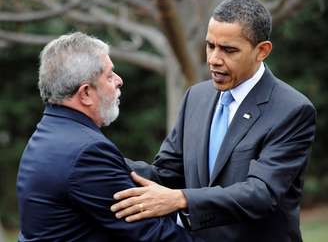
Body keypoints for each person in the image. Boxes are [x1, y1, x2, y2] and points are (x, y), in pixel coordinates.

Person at [110, 0, 316, 242]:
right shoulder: (196, 97)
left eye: (229, 50)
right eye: (210, 46)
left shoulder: (292, 109)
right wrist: (100, 159)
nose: (213, 59)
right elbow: (167, 174)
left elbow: (261, 193)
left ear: (262, 51)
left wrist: (181, 199)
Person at [16, 32, 203, 242]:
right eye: (109, 75)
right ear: (85, 93)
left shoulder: (49, 133)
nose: (119, 80)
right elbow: (151, 234)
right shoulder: (88, 151)